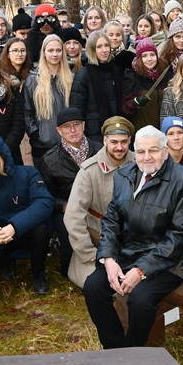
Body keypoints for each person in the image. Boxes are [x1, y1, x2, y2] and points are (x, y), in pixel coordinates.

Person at [83, 125, 183, 349]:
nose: (147, 157)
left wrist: (140, 270)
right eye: (141, 151)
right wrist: (108, 259)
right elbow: (111, 220)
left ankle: (133, 351)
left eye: (154, 150)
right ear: (134, 153)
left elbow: (181, 236)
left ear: (165, 151)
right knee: (93, 287)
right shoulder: (124, 175)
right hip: (128, 253)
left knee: (141, 300)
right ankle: (115, 349)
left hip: (169, 261)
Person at [0, 135, 53, 295]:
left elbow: (44, 202)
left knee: (41, 229)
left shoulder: (28, 173)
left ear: (2, 154)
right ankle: (7, 263)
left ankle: (37, 273)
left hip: (26, 232)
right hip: (2, 239)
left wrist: (14, 226)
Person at [63, 117, 136, 289]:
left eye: (124, 142)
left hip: (135, 235)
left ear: (130, 141)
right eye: (114, 142)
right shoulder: (89, 171)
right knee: (99, 285)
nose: (119, 147)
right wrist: (89, 252)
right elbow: (73, 216)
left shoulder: (139, 163)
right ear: (104, 140)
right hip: (100, 237)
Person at [37, 107, 98, 277]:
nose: (72, 130)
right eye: (66, 126)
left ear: (83, 125)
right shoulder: (49, 160)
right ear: (58, 130)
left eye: (76, 124)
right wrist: (64, 206)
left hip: (99, 207)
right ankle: (70, 265)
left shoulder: (100, 150)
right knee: (65, 225)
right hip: (67, 207)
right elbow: (46, 195)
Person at [23, 34, 74, 164]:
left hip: (69, 143)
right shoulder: (33, 79)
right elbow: (26, 111)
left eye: (58, 50)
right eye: (50, 50)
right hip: (42, 145)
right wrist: (36, 133)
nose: (55, 54)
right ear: (44, 53)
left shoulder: (71, 78)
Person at [69, 30, 125, 139]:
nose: (104, 50)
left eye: (106, 46)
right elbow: (77, 109)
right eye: (99, 47)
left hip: (116, 129)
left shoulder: (114, 69)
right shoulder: (83, 74)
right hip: (93, 134)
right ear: (92, 49)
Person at [122, 37, 169, 131]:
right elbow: (124, 109)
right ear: (139, 58)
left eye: (152, 55)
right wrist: (134, 102)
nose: (149, 59)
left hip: (164, 131)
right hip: (142, 133)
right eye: (145, 56)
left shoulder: (165, 74)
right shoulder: (131, 77)